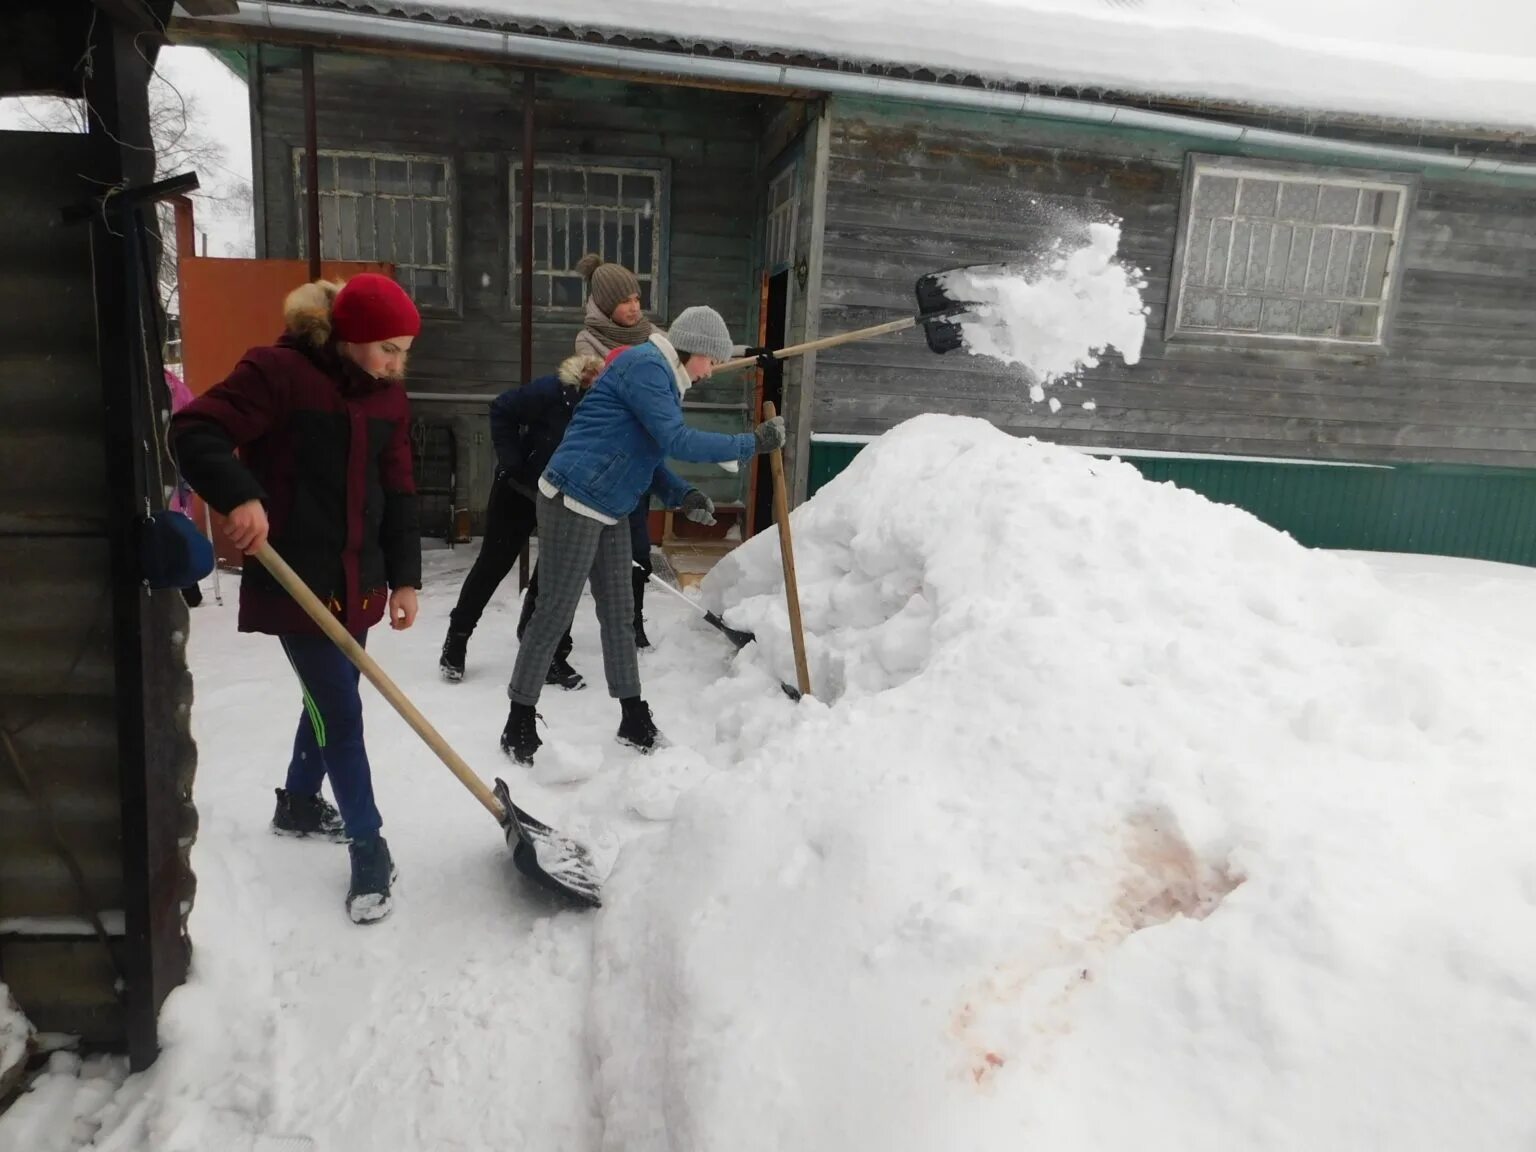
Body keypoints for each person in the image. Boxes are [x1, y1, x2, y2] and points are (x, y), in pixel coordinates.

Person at [169, 273, 422, 926]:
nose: (397, 365)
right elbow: (194, 430)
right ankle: (369, 842)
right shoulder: (279, 373)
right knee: (338, 708)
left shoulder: (389, 400)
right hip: (299, 580)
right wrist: (238, 493)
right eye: (387, 349)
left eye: (404, 351)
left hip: (358, 580)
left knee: (332, 695)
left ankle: (300, 802)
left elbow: (399, 491)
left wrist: (405, 578)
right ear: (349, 337)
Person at [500, 306, 786, 765]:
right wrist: (750, 443)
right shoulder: (648, 368)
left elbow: (648, 451)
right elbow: (676, 441)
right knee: (554, 609)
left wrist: (683, 494)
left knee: (619, 614)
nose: (711, 371)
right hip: (573, 497)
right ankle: (518, 719)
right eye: (710, 360)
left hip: (608, 504)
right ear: (692, 349)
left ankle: (633, 717)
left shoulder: (661, 378)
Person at [438, 353, 605, 687]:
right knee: (494, 565)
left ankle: (547, 651)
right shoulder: (551, 391)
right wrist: (514, 462)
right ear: (587, 374)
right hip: (519, 490)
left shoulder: (609, 408)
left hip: (564, 498)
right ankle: (456, 639)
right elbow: (502, 408)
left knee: (557, 575)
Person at [572, 254, 661, 647]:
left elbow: (678, 366)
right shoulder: (586, 340)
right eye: (625, 301)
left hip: (640, 458)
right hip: (600, 462)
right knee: (576, 554)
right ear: (606, 304)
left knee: (638, 548)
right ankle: (549, 633)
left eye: (637, 300)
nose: (633, 308)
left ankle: (633, 623)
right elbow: (599, 389)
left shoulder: (651, 335)